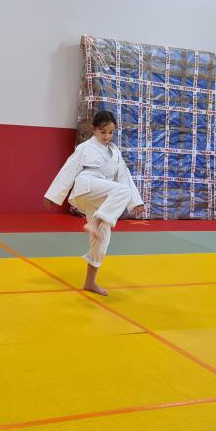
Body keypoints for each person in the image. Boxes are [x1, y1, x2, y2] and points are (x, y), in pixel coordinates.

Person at [44, 110, 145, 295]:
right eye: (103, 131)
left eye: (111, 132)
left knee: (102, 239)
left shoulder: (114, 152)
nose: (107, 136)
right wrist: (53, 194)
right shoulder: (85, 147)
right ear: (94, 129)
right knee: (123, 191)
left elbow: (124, 176)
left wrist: (136, 201)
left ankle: (90, 282)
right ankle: (96, 222)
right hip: (87, 185)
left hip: (101, 196)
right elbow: (69, 168)